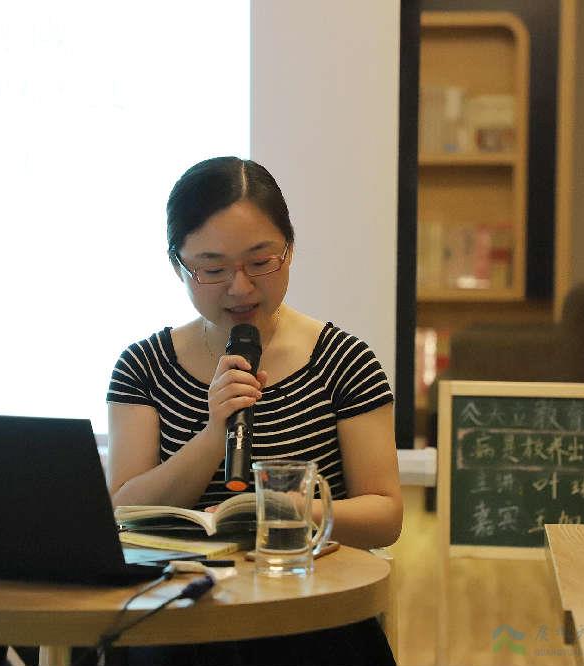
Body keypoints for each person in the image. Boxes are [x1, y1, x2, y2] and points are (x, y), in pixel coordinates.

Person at [105, 156, 402, 665]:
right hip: (178, 617)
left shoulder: (344, 360)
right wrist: (212, 434)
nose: (240, 287)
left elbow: (385, 515)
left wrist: (284, 511)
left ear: (290, 249)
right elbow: (124, 512)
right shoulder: (143, 366)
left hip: (311, 615)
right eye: (213, 270)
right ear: (178, 265)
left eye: (261, 262)